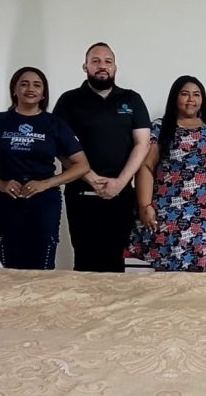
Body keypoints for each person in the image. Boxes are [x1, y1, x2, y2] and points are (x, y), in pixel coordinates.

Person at [53, 42, 150, 272]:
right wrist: (92, 179)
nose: (102, 66)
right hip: (81, 195)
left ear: (115, 67)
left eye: (108, 61)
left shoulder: (131, 99)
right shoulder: (69, 100)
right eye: (95, 61)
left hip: (121, 195)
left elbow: (142, 144)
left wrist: (120, 183)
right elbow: (59, 147)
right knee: (85, 260)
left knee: (115, 261)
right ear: (85, 67)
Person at [0, 67, 90, 270]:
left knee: (43, 261)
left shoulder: (54, 124)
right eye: (24, 84)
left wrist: (46, 184)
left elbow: (82, 165)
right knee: (10, 260)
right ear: (14, 90)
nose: (30, 89)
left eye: (37, 85)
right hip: (5, 199)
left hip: (44, 200)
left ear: (43, 93)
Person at [129, 76, 206, 271]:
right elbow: (146, 167)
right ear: (175, 98)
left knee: (201, 274)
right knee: (169, 274)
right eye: (185, 94)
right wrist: (145, 206)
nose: (191, 99)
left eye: (196, 94)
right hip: (171, 214)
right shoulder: (160, 128)